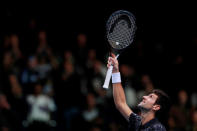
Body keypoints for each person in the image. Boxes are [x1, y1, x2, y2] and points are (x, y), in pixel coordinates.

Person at [107, 53, 170, 130]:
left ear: (156, 107)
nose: (144, 96)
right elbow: (120, 103)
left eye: (150, 97)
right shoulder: (136, 121)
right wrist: (115, 71)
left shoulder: (157, 128)